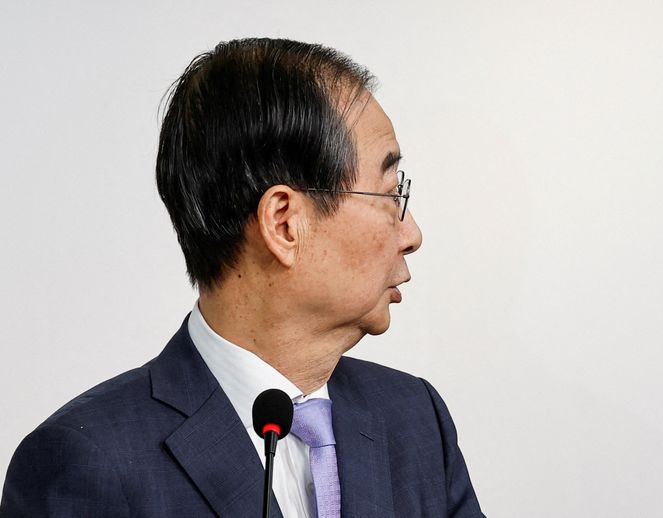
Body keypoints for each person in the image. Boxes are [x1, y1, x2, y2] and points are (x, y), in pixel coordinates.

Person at [0, 38, 483, 517]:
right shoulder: (89, 464)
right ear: (284, 223)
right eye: (389, 194)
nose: (412, 234)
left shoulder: (416, 420)